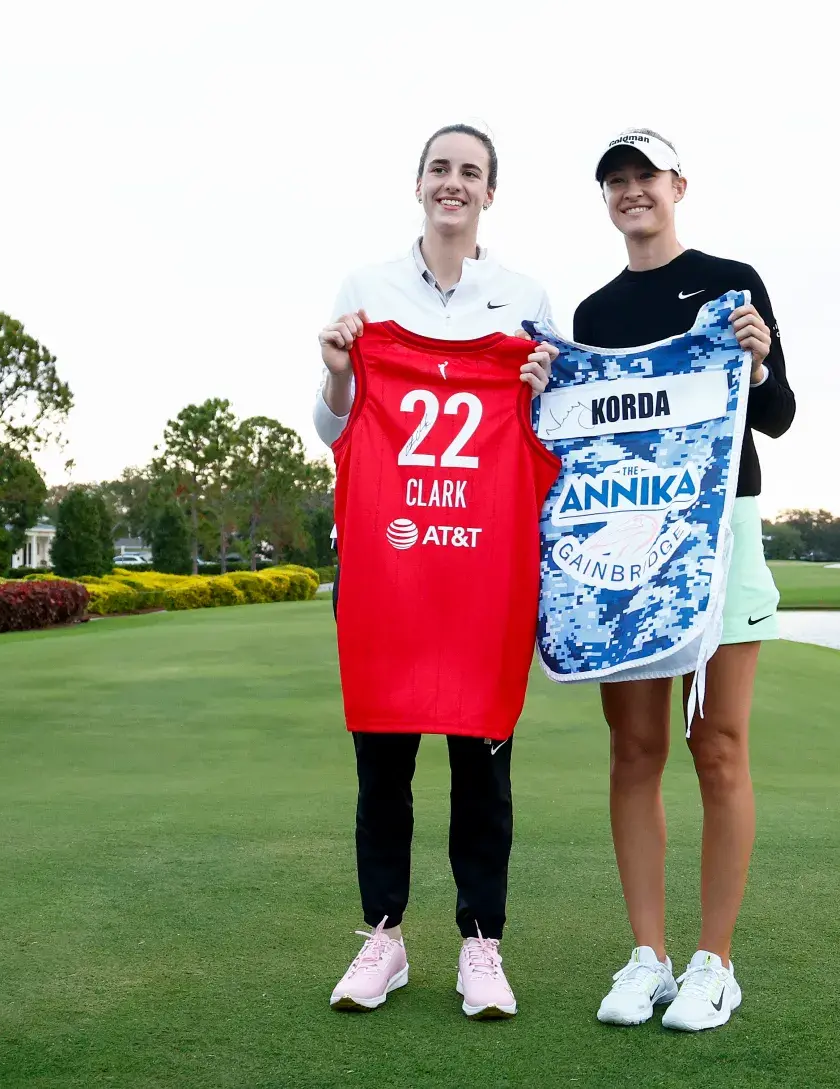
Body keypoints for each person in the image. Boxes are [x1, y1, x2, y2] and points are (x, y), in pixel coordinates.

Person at [314, 123, 557, 1020]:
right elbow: (336, 429)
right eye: (440, 168)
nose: (453, 182)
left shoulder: (525, 301)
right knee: (382, 762)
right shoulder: (366, 291)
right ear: (418, 183)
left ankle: (481, 943)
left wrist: (540, 391)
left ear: (490, 193)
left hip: (483, 573)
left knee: (481, 769)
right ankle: (383, 936)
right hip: (389, 569)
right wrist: (340, 372)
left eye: (471, 172)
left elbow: (550, 441)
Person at [573, 129, 796, 1032]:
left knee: (720, 745)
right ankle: (647, 957)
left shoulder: (732, 284)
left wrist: (760, 358)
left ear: (678, 186)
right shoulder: (593, 312)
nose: (632, 191)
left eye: (646, 177)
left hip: (721, 531)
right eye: (617, 181)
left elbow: (777, 415)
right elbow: (583, 434)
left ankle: (715, 962)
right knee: (634, 749)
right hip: (626, 536)